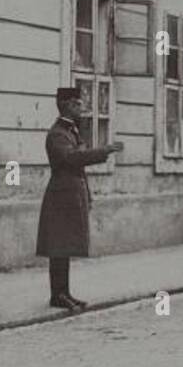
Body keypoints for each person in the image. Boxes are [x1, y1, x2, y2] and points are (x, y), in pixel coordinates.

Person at [36, 86, 122, 310]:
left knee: (65, 247)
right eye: (77, 104)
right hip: (61, 196)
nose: (81, 108)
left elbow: (79, 162)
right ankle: (58, 294)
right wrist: (103, 151)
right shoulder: (57, 134)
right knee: (58, 247)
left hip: (70, 194)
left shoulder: (71, 131)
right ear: (66, 105)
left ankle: (64, 292)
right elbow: (71, 159)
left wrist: (87, 196)